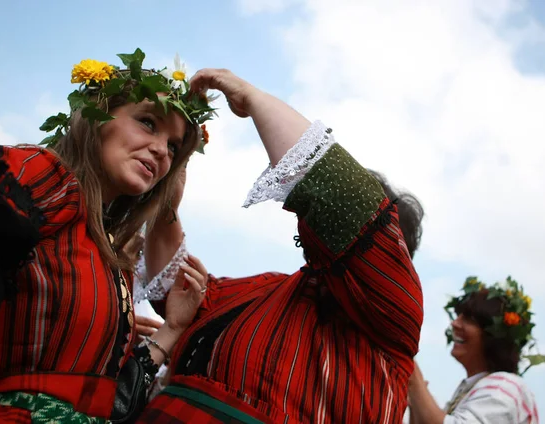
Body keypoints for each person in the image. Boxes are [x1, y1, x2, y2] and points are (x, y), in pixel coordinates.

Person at [135, 68, 426, 423]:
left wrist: (250, 96)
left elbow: (343, 197)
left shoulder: (395, 312)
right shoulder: (271, 287)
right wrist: (167, 203)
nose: (317, 220)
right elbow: (180, 294)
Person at [0, 49, 212, 422]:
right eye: (148, 122)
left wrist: (173, 327)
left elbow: (109, 403)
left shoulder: (114, 261)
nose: (162, 150)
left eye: (174, 147)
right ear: (98, 115)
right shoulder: (49, 177)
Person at [407, 276, 545, 424]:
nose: (455, 323)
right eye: (459, 316)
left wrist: (410, 366)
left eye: (469, 319)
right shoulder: (472, 388)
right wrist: (415, 400)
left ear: (493, 336)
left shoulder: (505, 386)